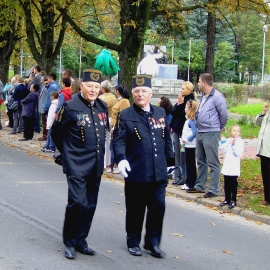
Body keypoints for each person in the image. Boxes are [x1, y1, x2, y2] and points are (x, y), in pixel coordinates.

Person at [113, 74, 174, 258]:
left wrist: (170, 163)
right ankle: (133, 241)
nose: (140, 94)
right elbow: (119, 140)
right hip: (137, 170)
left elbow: (166, 140)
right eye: (137, 91)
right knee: (135, 208)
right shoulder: (125, 115)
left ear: (151, 93)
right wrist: (121, 158)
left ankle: (153, 242)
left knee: (157, 208)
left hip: (158, 171)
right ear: (132, 94)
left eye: (144, 91)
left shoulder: (160, 113)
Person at [51, 69, 108, 260]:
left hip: (96, 163)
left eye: (96, 87)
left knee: (90, 204)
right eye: (89, 86)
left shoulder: (101, 107)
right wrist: (67, 153)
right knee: (77, 202)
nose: (93, 90)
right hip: (76, 162)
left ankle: (81, 239)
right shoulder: (70, 106)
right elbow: (56, 133)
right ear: (81, 86)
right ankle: (69, 241)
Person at [187, 73, 228, 198]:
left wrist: (218, 127)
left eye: (199, 81)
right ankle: (200, 185)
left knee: (212, 161)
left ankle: (214, 189)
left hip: (211, 131)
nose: (198, 84)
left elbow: (224, 114)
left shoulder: (217, 96)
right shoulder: (203, 96)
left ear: (204, 82)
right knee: (200, 160)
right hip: (200, 131)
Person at [170, 81, 196, 185]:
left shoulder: (190, 101)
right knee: (177, 153)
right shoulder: (181, 100)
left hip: (183, 132)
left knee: (182, 155)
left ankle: (184, 177)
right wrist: (178, 103)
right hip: (177, 130)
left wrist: (180, 104)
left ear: (189, 90)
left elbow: (182, 113)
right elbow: (173, 111)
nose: (181, 90)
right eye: (181, 88)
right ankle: (177, 176)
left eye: (184, 88)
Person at [219, 124, 244, 209]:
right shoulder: (228, 140)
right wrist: (223, 142)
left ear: (240, 133)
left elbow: (238, 154)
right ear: (230, 132)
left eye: (237, 131)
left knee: (233, 183)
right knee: (227, 183)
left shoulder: (240, 142)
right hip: (227, 164)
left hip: (234, 165)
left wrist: (233, 146)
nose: (236, 132)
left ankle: (233, 200)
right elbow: (225, 151)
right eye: (234, 131)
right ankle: (227, 199)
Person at [109, 85, 130, 173]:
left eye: (115, 90)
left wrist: (118, 127)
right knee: (112, 146)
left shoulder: (124, 101)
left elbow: (123, 115)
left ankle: (116, 165)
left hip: (118, 127)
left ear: (118, 91)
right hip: (114, 126)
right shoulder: (119, 100)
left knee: (115, 145)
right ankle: (113, 165)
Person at [99, 80, 117, 170]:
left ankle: (103, 163)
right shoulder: (113, 97)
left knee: (103, 140)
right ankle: (109, 162)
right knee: (109, 141)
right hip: (111, 119)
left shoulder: (101, 98)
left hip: (104, 118)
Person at [180, 99, 198, 190]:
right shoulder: (188, 120)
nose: (185, 109)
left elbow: (195, 133)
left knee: (190, 164)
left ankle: (190, 182)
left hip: (191, 145)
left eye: (187, 107)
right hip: (187, 145)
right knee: (189, 164)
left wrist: (186, 139)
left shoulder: (191, 121)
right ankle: (189, 181)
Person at [255, 101, 270, 205]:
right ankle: (267, 198)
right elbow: (257, 123)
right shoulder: (267, 113)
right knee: (265, 174)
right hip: (264, 149)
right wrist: (263, 112)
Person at [38, 76, 49, 141]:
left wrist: (44, 108)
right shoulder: (43, 87)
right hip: (42, 106)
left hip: (44, 107)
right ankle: (44, 134)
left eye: (41, 79)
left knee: (45, 122)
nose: (40, 80)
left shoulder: (45, 88)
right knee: (44, 121)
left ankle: (45, 135)